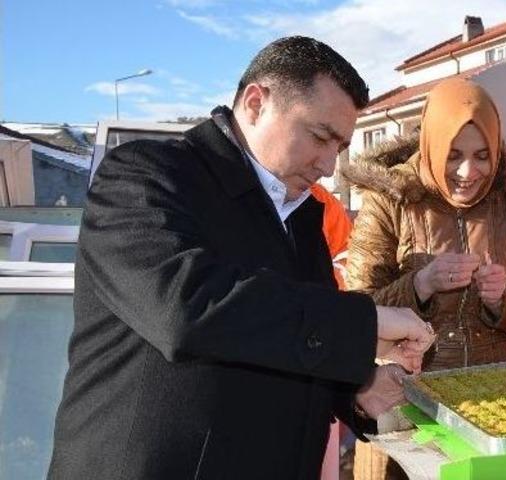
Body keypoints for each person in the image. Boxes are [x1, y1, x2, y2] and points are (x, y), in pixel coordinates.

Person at [47, 36, 435, 480]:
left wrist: (356, 388)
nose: (329, 164)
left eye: (340, 147)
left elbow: (287, 335)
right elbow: (185, 308)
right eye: (320, 137)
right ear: (255, 103)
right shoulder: (145, 176)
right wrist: (366, 324)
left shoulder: (303, 216)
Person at [344, 78, 506, 478]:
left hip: (493, 403)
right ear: (432, 146)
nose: (468, 172)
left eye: (482, 156)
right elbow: (356, 310)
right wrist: (421, 285)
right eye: (453, 155)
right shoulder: (391, 198)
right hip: (405, 403)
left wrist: (500, 299)